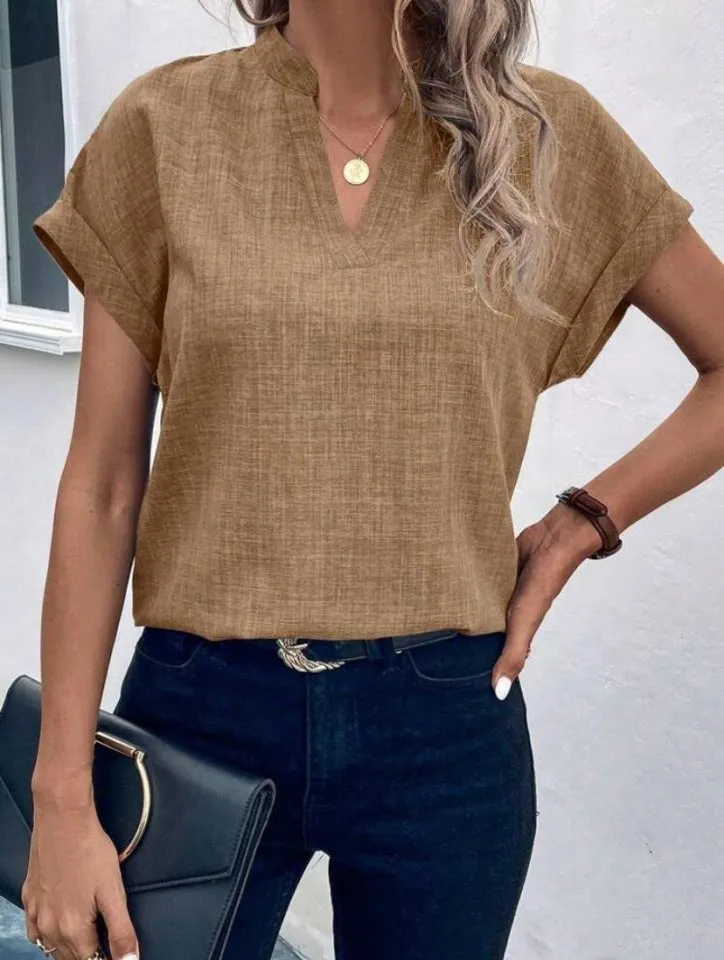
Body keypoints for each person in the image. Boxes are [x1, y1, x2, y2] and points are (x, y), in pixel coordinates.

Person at [21, 1, 724, 959]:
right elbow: (103, 486)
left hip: (444, 727)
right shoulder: (164, 128)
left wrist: (579, 526)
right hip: (199, 712)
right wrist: (60, 792)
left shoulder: (545, 137)